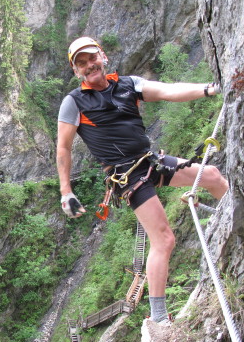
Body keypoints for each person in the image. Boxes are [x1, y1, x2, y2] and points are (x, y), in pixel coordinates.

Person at [57, 36, 229, 326]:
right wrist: (66, 191)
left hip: (149, 161)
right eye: (81, 63)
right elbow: (63, 147)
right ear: (76, 71)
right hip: (127, 176)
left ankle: (238, 218)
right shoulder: (74, 102)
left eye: (91, 58)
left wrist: (207, 90)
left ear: (103, 56)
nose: (89, 66)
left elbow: (167, 91)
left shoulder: (128, 85)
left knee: (211, 175)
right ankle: (159, 319)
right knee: (163, 239)